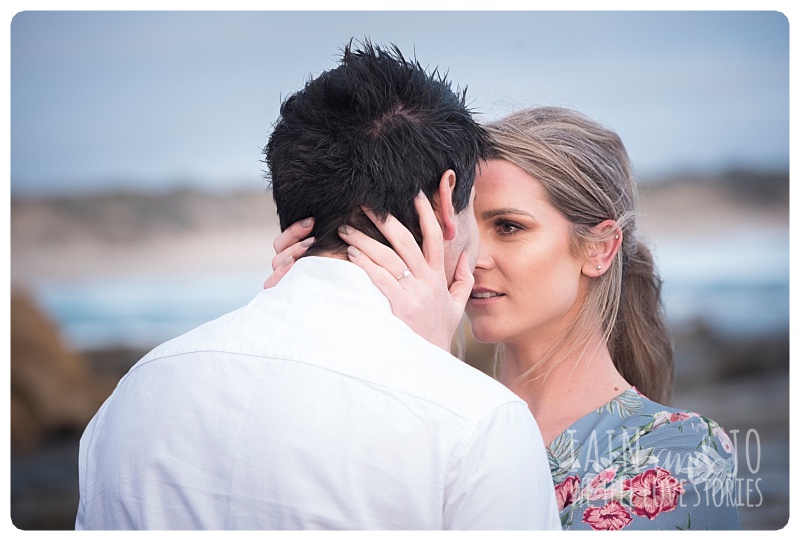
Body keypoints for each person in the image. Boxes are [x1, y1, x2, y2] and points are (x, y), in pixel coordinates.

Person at [76, 42, 560, 530]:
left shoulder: (137, 390)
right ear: (445, 197)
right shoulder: (478, 424)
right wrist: (436, 367)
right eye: (474, 209)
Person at [272, 106, 741, 530]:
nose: (474, 255)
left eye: (509, 227)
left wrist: (429, 383)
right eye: (466, 227)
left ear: (599, 249)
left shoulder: (681, 452)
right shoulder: (444, 406)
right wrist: (294, 328)